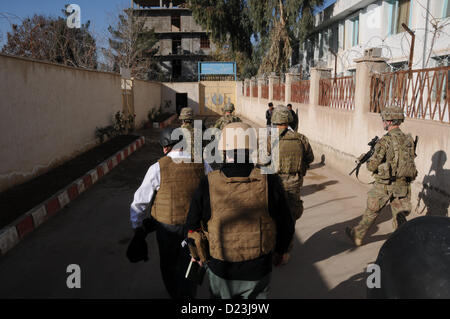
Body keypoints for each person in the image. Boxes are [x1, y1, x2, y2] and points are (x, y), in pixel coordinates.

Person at [185, 122, 295, 299]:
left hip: (220, 269)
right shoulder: (270, 180)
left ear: (222, 150)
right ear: (252, 149)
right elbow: (286, 224)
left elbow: (191, 225)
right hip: (258, 269)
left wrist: (197, 254)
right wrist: (280, 252)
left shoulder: (208, 182)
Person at [129, 127, 212, 298]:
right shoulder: (202, 163)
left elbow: (140, 202)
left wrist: (137, 226)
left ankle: (175, 294)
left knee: (168, 264)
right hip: (194, 227)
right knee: (193, 262)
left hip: (167, 228)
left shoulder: (158, 167)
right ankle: (188, 297)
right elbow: (213, 191)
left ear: (166, 147)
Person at [346, 106, 418, 246]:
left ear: (390, 121)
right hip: (403, 184)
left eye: (384, 120)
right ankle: (403, 242)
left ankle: (358, 235)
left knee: (372, 211)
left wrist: (365, 161)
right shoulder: (408, 140)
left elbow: (372, 166)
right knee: (400, 215)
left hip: (385, 184)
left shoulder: (385, 141)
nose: (383, 122)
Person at [270, 105, 314, 264]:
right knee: (289, 218)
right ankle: (286, 252)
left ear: (274, 120)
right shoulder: (301, 138)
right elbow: (310, 158)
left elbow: (261, 162)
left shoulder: (269, 139)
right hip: (294, 184)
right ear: (289, 120)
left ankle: (274, 249)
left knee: (273, 216)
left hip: (274, 185)